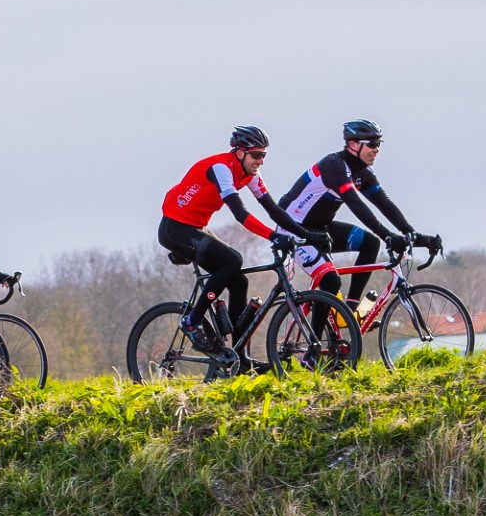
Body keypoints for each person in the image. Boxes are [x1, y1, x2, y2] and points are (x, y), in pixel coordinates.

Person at [159, 125, 326, 349]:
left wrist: (308, 235)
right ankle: (192, 321)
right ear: (239, 152)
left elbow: (274, 209)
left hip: (196, 226)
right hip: (175, 228)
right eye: (256, 155)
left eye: (264, 155)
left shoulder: (250, 174)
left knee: (239, 281)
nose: (261, 161)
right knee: (232, 260)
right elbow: (240, 214)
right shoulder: (221, 168)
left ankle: (239, 355)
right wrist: (273, 236)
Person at [279, 119, 441, 314]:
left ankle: (350, 310)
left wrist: (413, 235)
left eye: (379, 144)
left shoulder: (362, 173)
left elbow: (384, 203)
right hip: (293, 229)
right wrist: (388, 235)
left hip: (322, 229)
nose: (377, 150)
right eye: (372, 144)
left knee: (370, 243)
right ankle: (316, 342)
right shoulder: (334, 165)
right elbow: (356, 204)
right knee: (331, 281)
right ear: (354, 145)